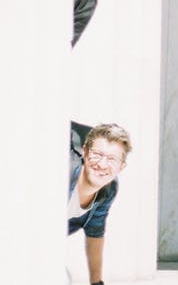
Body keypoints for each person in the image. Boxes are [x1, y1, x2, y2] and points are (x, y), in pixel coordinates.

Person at [69, 122, 132, 285]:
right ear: (84, 151)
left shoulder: (108, 190)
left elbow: (95, 232)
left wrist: (96, 283)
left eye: (112, 159)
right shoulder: (65, 173)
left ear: (122, 166)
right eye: (97, 154)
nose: (102, 165)